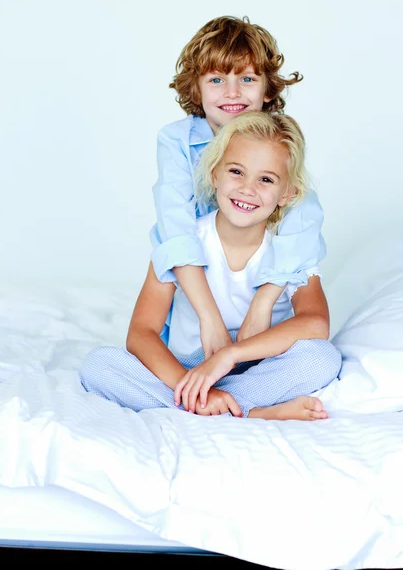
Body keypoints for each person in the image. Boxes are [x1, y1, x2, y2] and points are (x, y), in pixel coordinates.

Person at [80, 112, 341, 421]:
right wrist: (189, 383)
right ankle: (242, 410)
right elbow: (141, 333)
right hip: (188, 370)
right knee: (98, 365)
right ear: (214, 174)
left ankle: (211, 407)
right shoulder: (182, 242)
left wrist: (231, 355)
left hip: (258, 369)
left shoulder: (290, 249)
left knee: (323, 358)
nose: (248, 189)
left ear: (288, 194)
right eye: (236, 172)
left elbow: (316, 324)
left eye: (266, 179)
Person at [151, 15, 327, 360]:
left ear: (267, 89)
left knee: (318, 359)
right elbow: (175, 228)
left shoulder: (278, 143)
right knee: (113, 365)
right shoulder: (177, 141)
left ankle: (236, 396)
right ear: (196, 88)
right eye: (216, 79)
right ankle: (210, 387)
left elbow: (303, 219)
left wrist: (262, 306)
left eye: (247, 79)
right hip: (197, 300)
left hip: (254, 297)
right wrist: (209, 318)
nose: (232, 93)